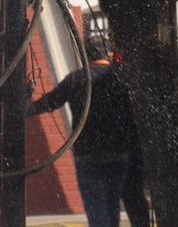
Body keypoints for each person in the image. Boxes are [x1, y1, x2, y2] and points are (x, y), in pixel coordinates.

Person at [28, 41, 149, 227]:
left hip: (87, 153)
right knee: (112, 203)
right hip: (118, 153)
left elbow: (49, 102)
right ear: (107, 55)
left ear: (86, 57)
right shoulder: (121, 78)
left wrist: (24, 108)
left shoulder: (76, 79)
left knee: (96, 208)